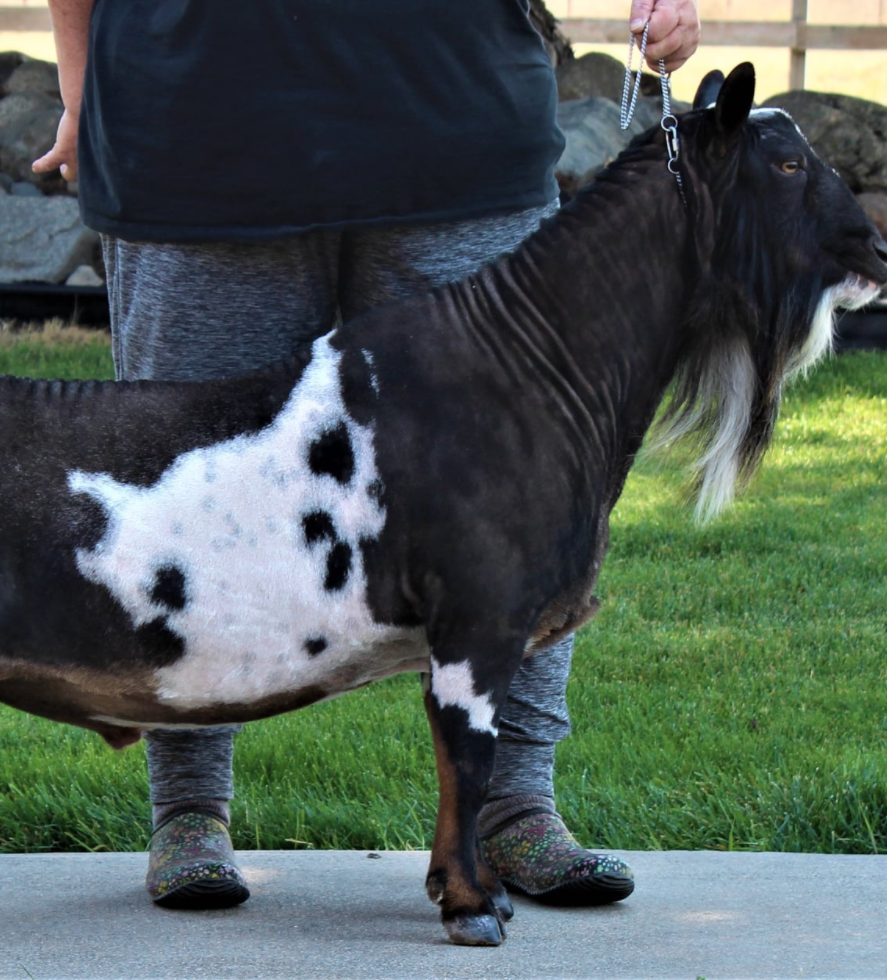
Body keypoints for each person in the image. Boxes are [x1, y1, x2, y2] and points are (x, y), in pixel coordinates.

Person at [35, 0, 700, 912]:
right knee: (184, 486)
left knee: (525, 487)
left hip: (458, 136)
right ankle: (187, 809)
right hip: (194, 142)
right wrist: (83, 91)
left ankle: (514, 807)